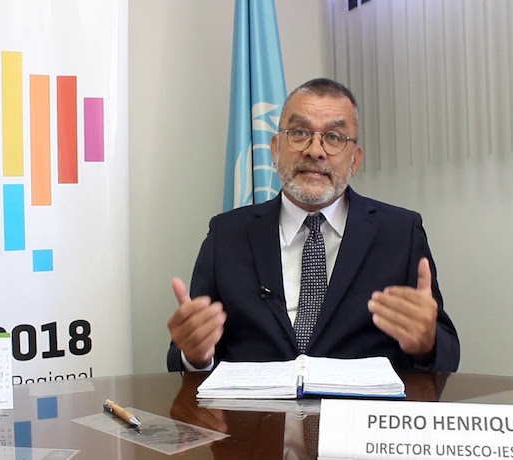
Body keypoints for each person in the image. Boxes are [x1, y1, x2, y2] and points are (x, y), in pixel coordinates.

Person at [166, 77, 459, 373]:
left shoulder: (400, 233)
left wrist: (428, 344)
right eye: (300, 133)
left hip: (359, 403)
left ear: (355, 160)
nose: (315, 150)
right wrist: (195, 356)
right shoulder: (227, 235)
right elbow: (184, 352)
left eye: (334, 137)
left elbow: (448, 352)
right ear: (275, 148)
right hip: (254, 404)